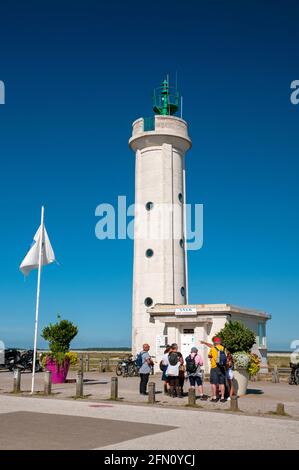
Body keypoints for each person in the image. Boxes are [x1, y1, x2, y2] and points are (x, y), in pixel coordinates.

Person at [207, 337, 227, 403]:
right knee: (222, 383)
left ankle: (214, 397)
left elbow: (209, 356)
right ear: (220, 342)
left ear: (215, 342)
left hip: (214, 367)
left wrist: (212, 357)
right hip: (222, 367)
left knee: (213, 383)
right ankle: (222, 397)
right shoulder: (224, 348)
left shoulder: (212, 349)